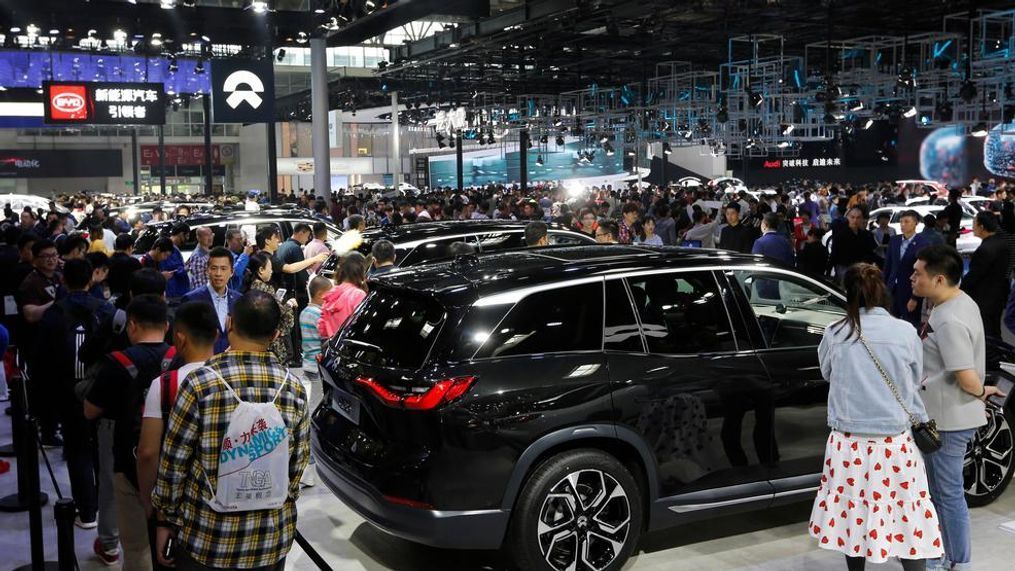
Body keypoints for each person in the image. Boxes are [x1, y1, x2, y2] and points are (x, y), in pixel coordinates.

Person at [152, 291, 310, 570]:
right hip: (270, 539)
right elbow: (296, 467)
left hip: (207, 538)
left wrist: (165, 519)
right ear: (275, 335)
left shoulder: (200, 384)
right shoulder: (293, 388)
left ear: (229, 323)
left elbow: (173, 464)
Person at [810, 263, 943, 571]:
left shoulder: (835, 332)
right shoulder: (905, 332)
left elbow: (827, 372)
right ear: (882, 291)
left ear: (848, 294)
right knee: (908, 517)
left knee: (851, 517)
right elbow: (913, 382)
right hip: (895, 445)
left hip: (848, 446)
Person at [911, 245, 1005, 571]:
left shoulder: (949, 319)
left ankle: (957, 561)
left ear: (938, 279)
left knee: (948, 495)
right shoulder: (957, 302)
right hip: (944, 414)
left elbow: (965, 376)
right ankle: (942, 556)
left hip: (948, 420)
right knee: (940, 492)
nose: (912, 277)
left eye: (918, 273)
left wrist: (980, 391)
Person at [84, 295, 171, 571]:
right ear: (167, 326)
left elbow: (89, 410)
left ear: (131, 325)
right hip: (172, 460)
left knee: (135, 546)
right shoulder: (177, 358)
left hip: (127, 458)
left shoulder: (117, 362)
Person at [35, 259, 115, 530]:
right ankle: (106, 508)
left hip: (67, 392)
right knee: (102, 451)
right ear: (91, 279)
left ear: (64, 281)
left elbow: (41, 360)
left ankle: (87, 511)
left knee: (77, 449)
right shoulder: (105, 309)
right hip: (101, 391)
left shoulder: (54, 313)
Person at [136, 302, 218, 521]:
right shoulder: (233, 378)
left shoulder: (164, 384)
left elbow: (147, 453)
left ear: (179, 338)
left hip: (180, 504)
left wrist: (150, 502)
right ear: (217, 335)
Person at [18, 238, 65, 446]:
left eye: (54, 255)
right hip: (38, 345)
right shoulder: (30, 283)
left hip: (59, 343)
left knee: (58, 388)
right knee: (44, 389)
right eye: (46, 257)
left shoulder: (59, 277)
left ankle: (55, 425)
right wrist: (55, 304)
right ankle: (47, 432)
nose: (51, 260)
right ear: (35, 260)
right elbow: (30, 314)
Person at [298, 276, 333, 487]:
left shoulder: (304, 312)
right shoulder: (318, 314)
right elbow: (325, 339)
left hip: (307, 365)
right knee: (314, 414)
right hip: (316, 368)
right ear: (321, 295)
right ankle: (308, 466)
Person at [961, 212, 1011, 338]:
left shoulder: (985, 250)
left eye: (974, 224)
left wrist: (958, 289)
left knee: (986, 335)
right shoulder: (1002, 243)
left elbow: (974, 276)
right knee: (994, 332)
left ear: (981, 226)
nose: (972, 227)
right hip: (998, 295)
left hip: (983, 298)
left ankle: (992, 357)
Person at [181, 247, 241, 354]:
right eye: (214, 268)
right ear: (207, 270)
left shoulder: (239, 300)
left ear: (231, 272)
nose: (218, 273)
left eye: (223, 269)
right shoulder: (191, 299)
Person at [242, 253, 297, 364]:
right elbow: (284, 315)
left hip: (252, 343)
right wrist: (289, 305)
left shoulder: (250, 288)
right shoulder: (265, 289)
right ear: (261, 270)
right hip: (270, 344)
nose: (271, 271)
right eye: (270, 268)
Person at [882, 210, 930, 328]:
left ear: (916, 223)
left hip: (910, 290)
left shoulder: (923, 243)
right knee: (890, 323)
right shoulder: (894, 241)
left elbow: (922, 272)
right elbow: (887, 266)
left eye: (907, 222)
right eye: (901, 222)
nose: (903, 225)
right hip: (892, 289)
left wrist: (915, 297)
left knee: (910, 324)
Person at [318, 252, 370, 339]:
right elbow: (362, 328)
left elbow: (322, 330)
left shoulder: (331, 294)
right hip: (349, 348)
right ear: (361, 271)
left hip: (331, 347)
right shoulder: (358, 295)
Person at [828, 207, 878, 280]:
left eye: (858, 218)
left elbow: (870, 252)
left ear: (861, 219)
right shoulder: (840, 234)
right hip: (845, 268)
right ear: (848, 218)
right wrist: (828, 271)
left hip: (860, 268)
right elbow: (834, 254)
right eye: (852, 217)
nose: (855, 220)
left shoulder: (865, 235)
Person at [108, 234, 142, 301]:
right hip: (128, 299)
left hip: (111, 298)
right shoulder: (133, 262)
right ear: (130, 247)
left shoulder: (108, 260)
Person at [164, 224, 191, 298]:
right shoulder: (170, 249)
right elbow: (173, 270)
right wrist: (186, 268)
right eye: (187, 236)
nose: (187, 239)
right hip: (175, 293)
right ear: (181, 234)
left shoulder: (172, 247)